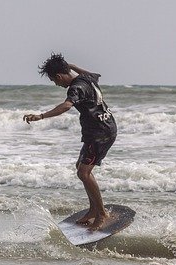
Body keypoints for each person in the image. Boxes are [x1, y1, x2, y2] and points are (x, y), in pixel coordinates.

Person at [23, 53, 117, 231]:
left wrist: (41, 116)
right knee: (81, 169)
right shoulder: (86, 77)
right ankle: (93, 209)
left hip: (100, 133)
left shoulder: (76, 87)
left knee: (84, 173)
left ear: (59, 76)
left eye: (54, 80)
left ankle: (102, 214)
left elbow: (66, 106)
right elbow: (93, 74)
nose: (56, 84)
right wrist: (68, 65)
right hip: (102, 129)